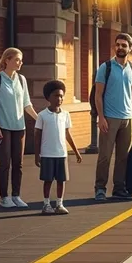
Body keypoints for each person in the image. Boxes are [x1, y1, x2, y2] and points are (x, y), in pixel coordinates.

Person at [93, 32, 132, 201]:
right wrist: (101, 117)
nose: (120, 48)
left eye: (124, 45)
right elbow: (98, 95)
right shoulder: (105, 67)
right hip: (109, 118)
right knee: (105, 156)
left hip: (128, 119)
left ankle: (119, 189)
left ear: (130, 48)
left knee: (123, 157)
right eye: (118, 45)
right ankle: (100, 189)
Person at [0, 47, 38, 208]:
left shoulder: (22, 80)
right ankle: (4, 197)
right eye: (17, 59)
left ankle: (16, 195)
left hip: (19, 127)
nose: (20, 62)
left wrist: (41, 120)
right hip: (3, 127)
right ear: (7, 60)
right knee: (5, 163)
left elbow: (27, 104)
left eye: (21, 60)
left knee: (19, 163)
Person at [34, 80, 82, 215]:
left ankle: (59, 203)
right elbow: (37, 136)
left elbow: (67, 134)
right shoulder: (42, 115)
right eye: (56, 96)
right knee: (48, 180)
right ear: (48, 97)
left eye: (61, 96)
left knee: (61, 180)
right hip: (47, 154)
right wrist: (37, 155)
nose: (59, 99)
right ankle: (46, 204)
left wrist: (76, 152)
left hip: (61, 154)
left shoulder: (65, 115)